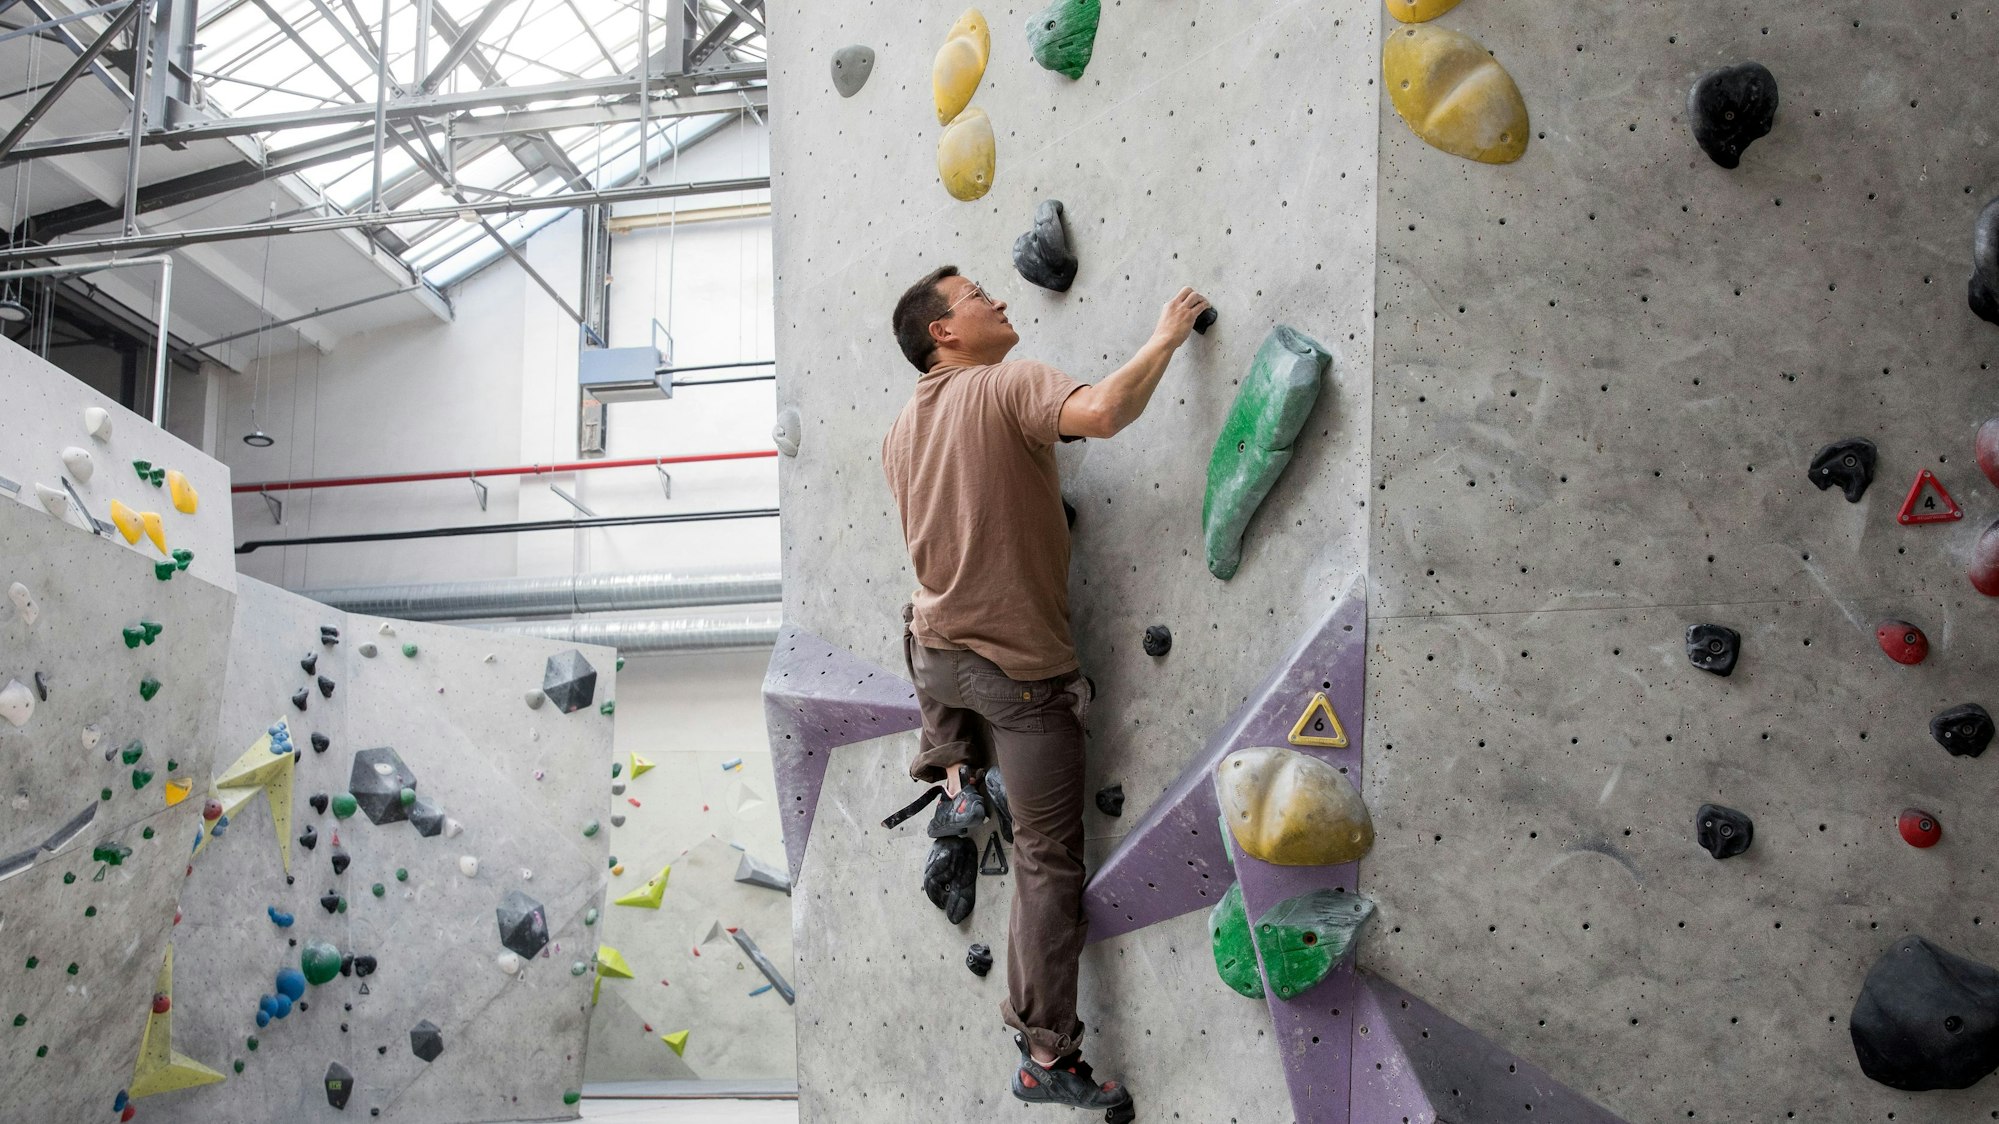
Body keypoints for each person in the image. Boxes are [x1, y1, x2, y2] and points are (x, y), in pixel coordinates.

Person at [879, 265, 1210, 1116]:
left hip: (939, 659)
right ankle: (1043, 1051)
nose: (995, 299)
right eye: (975, 296)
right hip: (1018, 677)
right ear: (942, 334)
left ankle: (952, 774)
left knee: (924, 624)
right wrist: (1166, 336)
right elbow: (1101, 412)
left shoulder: (899, 433)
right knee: (1047, 858)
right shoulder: (1007, 386)